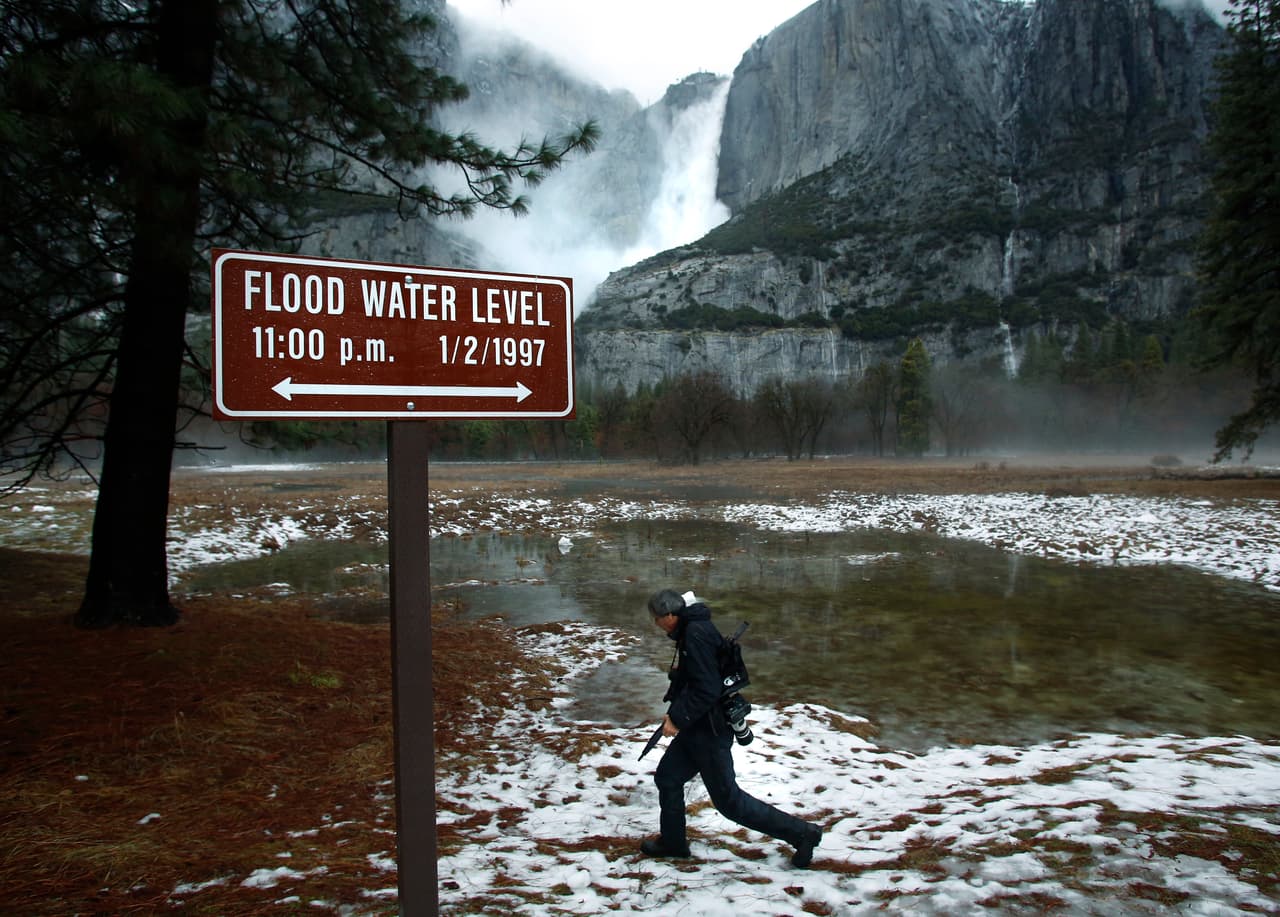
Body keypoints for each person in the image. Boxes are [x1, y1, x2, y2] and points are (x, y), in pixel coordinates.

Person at [639, 588, 822, 867]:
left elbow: (708, 688)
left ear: (671, 615)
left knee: (729, 803)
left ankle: (802, 834)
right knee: (667, 777)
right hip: (697, 728)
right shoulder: (693, 629)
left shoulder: (695, 635)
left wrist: (677, 719)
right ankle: (673, 843)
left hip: (710, 731)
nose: (656, 624)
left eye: (657, 618)